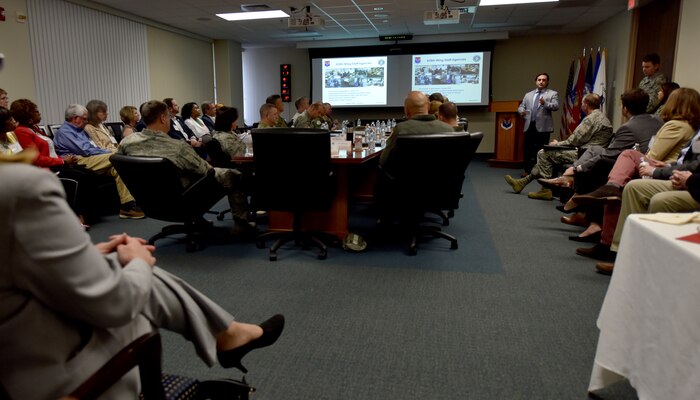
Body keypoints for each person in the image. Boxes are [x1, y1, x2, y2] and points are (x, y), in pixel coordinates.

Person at [0, 153, 284, 399]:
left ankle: (229, 335)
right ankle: (228, 335)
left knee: (114, 261)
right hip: (52, 380)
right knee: (135, 277)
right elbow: (116, 305)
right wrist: (138, 263)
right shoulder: (16, 187)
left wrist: (91, 257)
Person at [572, 87, 700, 262]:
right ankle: (602, 220)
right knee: (612, 169)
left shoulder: (675, 125)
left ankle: (608, 238)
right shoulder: (686, 127)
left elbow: (653, 156)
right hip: (671, 169)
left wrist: (658, 168)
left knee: (618, 165)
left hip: (668, 172)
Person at [118, 100, 254, 234]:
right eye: (169, 117)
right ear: (163, 118)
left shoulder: (126, 142)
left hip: (150, 199)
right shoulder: (177, 147)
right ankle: (242, 224)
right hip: (182, 196)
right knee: (233, 175)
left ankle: (197, 220)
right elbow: (205, 170)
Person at [505, 93, 612, 200]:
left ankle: (545, 190)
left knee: (543, 153)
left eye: (582, 103)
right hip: (592, 154)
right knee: (546, 154)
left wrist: (557, 144)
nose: (582, 106)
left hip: (584, 154)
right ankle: (522, 183)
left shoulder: (590, 119)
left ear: (586, 105)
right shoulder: (604, 118)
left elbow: (574, 140)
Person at [53, 104, 144, 219]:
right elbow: (85, 150)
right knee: (118, 158)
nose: (86, 121)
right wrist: (108, 153)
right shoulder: (65, 132)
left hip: (89, 157)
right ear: (75, 118)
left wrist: (106, 152)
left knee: (117, 167)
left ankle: (127, 206)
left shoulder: (79, 130)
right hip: (77, 160)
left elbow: (91, 148)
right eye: (84, 119)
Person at [379, 91, 453, 177]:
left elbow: (384, 161)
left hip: (406, 186)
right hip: (441, 186)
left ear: (406, 111)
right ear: (428, 107)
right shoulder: (448, 130)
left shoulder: (400, 130)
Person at [518, 73, 560, 174]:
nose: (541, 82)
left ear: (547, 82)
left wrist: (545, 103)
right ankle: (527, 171)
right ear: (536, 81)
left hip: (543, 127)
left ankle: (540, 171)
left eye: (543, 80)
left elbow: (556, 106)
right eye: (539, 80)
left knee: (541, 150)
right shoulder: (528, 94)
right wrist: (521, 111)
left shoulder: (552, 93)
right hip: (529, 126)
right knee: (527, 149)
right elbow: (521, 106)